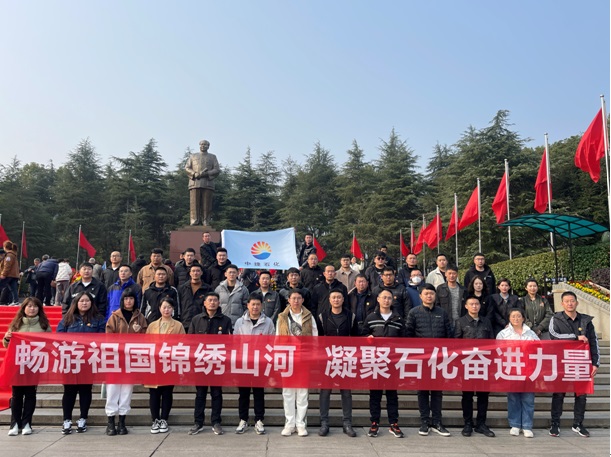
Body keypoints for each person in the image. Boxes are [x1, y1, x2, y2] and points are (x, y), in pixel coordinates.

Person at [548, 291, 600, 438]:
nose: (570, 303)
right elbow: (554, 336)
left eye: (572, 301)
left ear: (577, 302)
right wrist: (575, 338)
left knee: (581, 395)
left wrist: (595, 363)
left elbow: (593, 341)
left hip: (581, 362)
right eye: (567, 301)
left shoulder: (586, 320)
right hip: (562, 362)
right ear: (562, 303)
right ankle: (555, 424)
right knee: (559, 394)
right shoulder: (555, 319)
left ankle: (578, 424)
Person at [406, 283, 453, 437]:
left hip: (439, 358)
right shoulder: (414, 313)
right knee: (422, 391)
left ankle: (437, 422)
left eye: (431, 294)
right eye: (426, 294)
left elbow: (449, 335)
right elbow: (408, 335)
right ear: (420, 296)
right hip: (422, 359)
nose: (429, 296)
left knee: (437, 391)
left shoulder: (442, 313)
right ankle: (425, 421)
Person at [56, 292, 105, 434]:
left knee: (85, 390)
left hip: (88, 361)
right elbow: (59, 338)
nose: (84, 303)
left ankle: (83, 418)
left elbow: (102, 338)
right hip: (70, 360)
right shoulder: (67, 319)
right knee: (69, 391)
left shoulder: (98, 319)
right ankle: (67, 420)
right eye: (81, 301)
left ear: (91, 303)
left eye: (87, 301)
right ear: (76, 303)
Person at [361, 289, 406, 438]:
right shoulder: (371, 317)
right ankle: (374, 423)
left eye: (389, 298)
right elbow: (363, 335)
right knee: (375, 394)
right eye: (384, 297)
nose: (386, 300)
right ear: (378, 299)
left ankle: (394, 423)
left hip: (392, 362)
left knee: (392, 394)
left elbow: (404, 340)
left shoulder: (398, 319)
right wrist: (367, 338)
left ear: (392, 300)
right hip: (375, 362)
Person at [3, 297, 51, 436]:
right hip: (17, 364)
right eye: (29, 306)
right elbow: (7, 345)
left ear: (39, 308)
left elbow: (49, 344)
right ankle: (14, 424)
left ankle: (27, 423)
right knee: (16, 394)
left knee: (30, 394)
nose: (32, 309)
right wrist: (7, 338)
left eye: (35, 306)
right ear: (23, 308)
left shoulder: (44, 325)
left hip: (33, 364)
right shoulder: (16, 324)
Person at [188, 292, 232, 436]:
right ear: (204, 303)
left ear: (219, 303)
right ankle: (198, 423)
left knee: (216, 393)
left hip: (217, 362)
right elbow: (190, 342)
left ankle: (216, 422)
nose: (212, 302)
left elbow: (229, 342)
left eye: (215, 300)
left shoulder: (225, 320)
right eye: (210, 300)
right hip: (200, 362)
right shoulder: (196, 319)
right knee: (200, 394)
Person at [105, 289, 148, 436]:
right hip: (116, 358)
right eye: (126, 299)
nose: (128, 301)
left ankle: (122, 421)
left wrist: (138, 332)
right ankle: (110, 421)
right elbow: (108, 336)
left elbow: (145, 337)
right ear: (122, 301)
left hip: (132, 359)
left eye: (131, 298)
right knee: (113, 389)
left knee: (126, 390)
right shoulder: (115, 317)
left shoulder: (140, 317)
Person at [317, 289, 359, 437]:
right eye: (333, 297)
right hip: (327, 358)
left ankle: (347, 423)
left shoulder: (351, 316)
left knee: (346, 392)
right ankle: (324, 423)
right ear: (329, 300)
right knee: (325, 391)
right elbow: (318, 339)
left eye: (339, 297)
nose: (336, 300)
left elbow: (356, 338)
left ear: (343, 300)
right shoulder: (322, 317)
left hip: (345, 358)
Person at [233, 292, 276, 435]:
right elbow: (235, 343)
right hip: (244, 363)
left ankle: (259, 420)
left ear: (262, 306)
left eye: (258, 304)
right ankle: (243, 419)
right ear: (248, 305)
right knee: (243, 394)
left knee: (259, 393)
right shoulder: (239, 322)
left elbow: (272, 343)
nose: (255, 307)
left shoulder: (268, 322)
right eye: (253, 304)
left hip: (260, 363)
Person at [277, 289, 317, 437]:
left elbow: (315, 337)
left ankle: (301, 424)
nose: (296, 301)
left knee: (302, 393)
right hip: (287, 358)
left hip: (304, 358)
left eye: (298, 298)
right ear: (288, 300)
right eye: (293, 298)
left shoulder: (309, 316)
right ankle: (289, 424)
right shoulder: (282, 317)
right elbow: (277, 338)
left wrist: (313, 356)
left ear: (302, 300)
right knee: (288, 392)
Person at [455, 297, 495, 438]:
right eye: (471, 304)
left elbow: (492, 342)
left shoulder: (486, 321)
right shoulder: (460, 322)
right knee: (467, 395)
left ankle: (481, 424)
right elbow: (456, 343)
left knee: (483, 395)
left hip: (484, 363)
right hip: (467, 363)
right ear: (466, 306)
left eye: (477, 304)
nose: (474, 306)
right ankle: (468, 423)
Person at [496, 308, 539, 438]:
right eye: (513, 316)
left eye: (518, 316)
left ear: (523, 318)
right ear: (509, 318)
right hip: (512, 369)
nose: (516, 319)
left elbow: (539, 348)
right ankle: (515, 424)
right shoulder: (503, 334)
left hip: (528, 370)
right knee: (513, 398)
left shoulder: (530, 333)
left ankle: (527, 425)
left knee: (528, 398)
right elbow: (498, 350)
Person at [146, 297, 185, 434]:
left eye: (169, 307)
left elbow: (182, 344)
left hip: (169, 363)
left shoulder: (178, 326)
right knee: (154, 393)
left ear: (173, 309)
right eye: (164, 307)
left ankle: (164, 419)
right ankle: (155, 420)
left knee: (167, 392)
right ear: (159, 308)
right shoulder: (152, 325)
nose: (166, 310)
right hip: (154, 364)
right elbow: (146, 344)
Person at [185, 139, 221, 226]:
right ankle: (194, 220)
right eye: (201, 144)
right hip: (195, 182)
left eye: (205, 144)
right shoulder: (193, 156)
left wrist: (207, 173)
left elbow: (217, 169)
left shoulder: (213, 157)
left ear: (208, 146)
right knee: (194, 203)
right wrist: (194, 174)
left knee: (207, 204)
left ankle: (206, 221)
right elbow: (187, 168)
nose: (203, 146)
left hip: (207, 183)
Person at [178, 263, 212, 331]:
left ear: (201, 273)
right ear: (190, 273)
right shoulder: (182, 288)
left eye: (198, 271)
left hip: (202, 323)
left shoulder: (208, 289)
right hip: (185, 322)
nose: (195, 273)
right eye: (193, 271)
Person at [435, 264, 466, 328]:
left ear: (457, 274)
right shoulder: (440, 288)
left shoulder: (463, 290)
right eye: (449, 273)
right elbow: (437, 305)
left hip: (461, 322)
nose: (451, 276)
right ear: (446, 274)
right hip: (445, 322)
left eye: (454, 273)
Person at [0, 240, 20, 304]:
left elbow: (7, 266)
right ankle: (16, 301)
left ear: (5, 247)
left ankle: (15, 301)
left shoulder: (9, 255)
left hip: (9, 275)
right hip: (14, 275)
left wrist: (3, 274)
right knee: (13, 289)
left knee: (1, 285)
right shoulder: (13, 254)